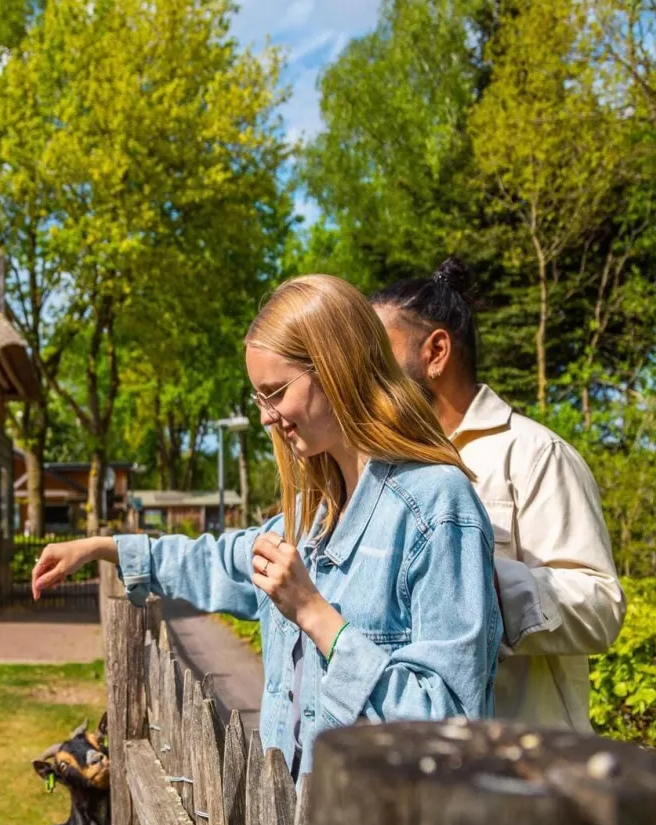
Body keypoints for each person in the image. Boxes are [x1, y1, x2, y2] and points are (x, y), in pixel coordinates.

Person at [31, 275, 501, 777]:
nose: (266, 417)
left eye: (275, 392)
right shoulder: (310, 519)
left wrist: (318, 617)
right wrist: (104, 547)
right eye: (259, 399)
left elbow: (451, 726)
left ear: (338, 368)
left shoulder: (436, 509)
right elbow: (215, 560)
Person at [370, 258, 625, 732]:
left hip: (527, 772)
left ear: (436, 352)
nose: (364, 376)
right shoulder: (379, 467)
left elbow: (602, 607)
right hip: (418, 767)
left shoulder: (534, 454)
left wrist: (474, 580)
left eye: (377, 355)